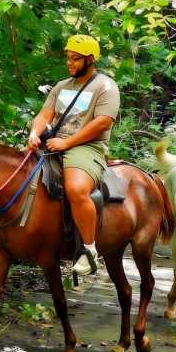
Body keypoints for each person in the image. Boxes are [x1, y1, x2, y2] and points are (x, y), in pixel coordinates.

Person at [27, 34, 119, 275]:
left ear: (90, 59)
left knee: (76, 189)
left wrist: (67, 143)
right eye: (68, 58)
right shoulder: (61, 86)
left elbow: (103, 122)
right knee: (16, 173)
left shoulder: (106, 86)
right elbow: (44, 115)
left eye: (75, 58)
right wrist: (34, 134)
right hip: (53, 142)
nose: (69, 62)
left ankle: (89, 250)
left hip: (87, 147)